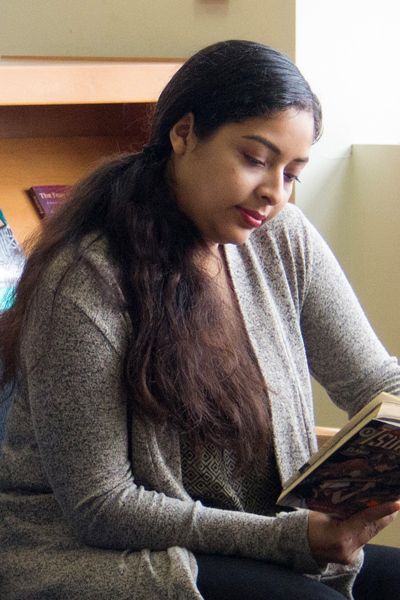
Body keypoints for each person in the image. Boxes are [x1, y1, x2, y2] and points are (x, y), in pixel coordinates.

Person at [0, 39, 400, 600]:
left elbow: (376, 381)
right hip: (102, 555)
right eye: (255, 159)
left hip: (255, 533)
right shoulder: (86, 280)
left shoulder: (281, 238)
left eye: (292, 173)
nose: (273, 193)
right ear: (183, 133)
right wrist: (287, 541)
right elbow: (102, 506)